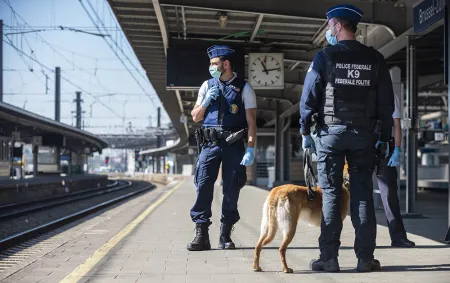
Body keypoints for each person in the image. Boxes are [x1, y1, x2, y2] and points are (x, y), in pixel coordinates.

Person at [299, 4, 395, 273]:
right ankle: (365, 259)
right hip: (364, 135)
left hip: (331, 135)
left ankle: (329, 257)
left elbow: (309, 97)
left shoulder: (324, 57)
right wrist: (385, 138)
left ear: (338, 26)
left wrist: (305, 130)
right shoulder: (375, 59)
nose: (329, 30)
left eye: (330, 26)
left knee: (330, 194)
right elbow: (387, 103)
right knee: (362, 195)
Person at [188, 45, 257, 251]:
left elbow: (252, 121)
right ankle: (201, 234)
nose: (211, 67)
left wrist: (251, 149)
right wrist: (207, 100)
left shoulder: (244, 88)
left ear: (225, 64)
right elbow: (195, 116)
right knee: (203, 186)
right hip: (209, 145)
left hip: (233, 144)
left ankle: (225, 233)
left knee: (231, 189)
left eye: (214, 64)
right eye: (210, 64)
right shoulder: (206, 86)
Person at [376, 95, 415, 248]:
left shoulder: (389, 93)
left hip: (384, 147)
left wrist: (397, 150)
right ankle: (363, 239)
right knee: (358, 193)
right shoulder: (362, 86)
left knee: (389, 193)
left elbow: (396, 124)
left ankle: (398, 237)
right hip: (361, 145)